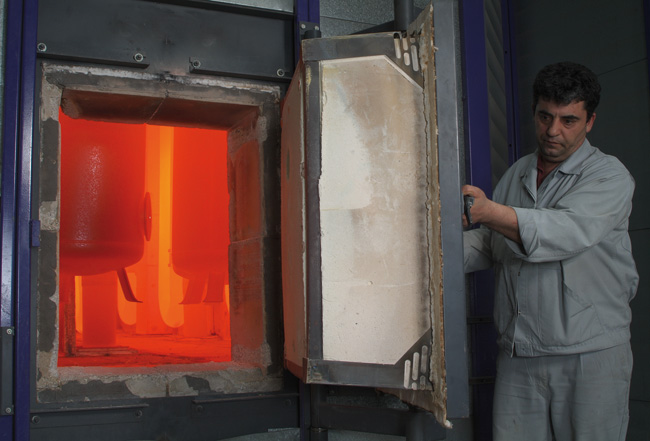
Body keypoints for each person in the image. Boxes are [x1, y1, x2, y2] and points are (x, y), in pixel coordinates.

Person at [462, 61, 638, 441]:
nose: (553, 131)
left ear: (589, 121)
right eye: (545, 116)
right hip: (520, 354)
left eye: (568, 120)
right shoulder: (518, 173)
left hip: (588, 355)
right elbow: (493, 245)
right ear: (534, 112)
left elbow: (564, 232)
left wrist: (489, 212)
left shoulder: (609, 176)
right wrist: (427, 247)